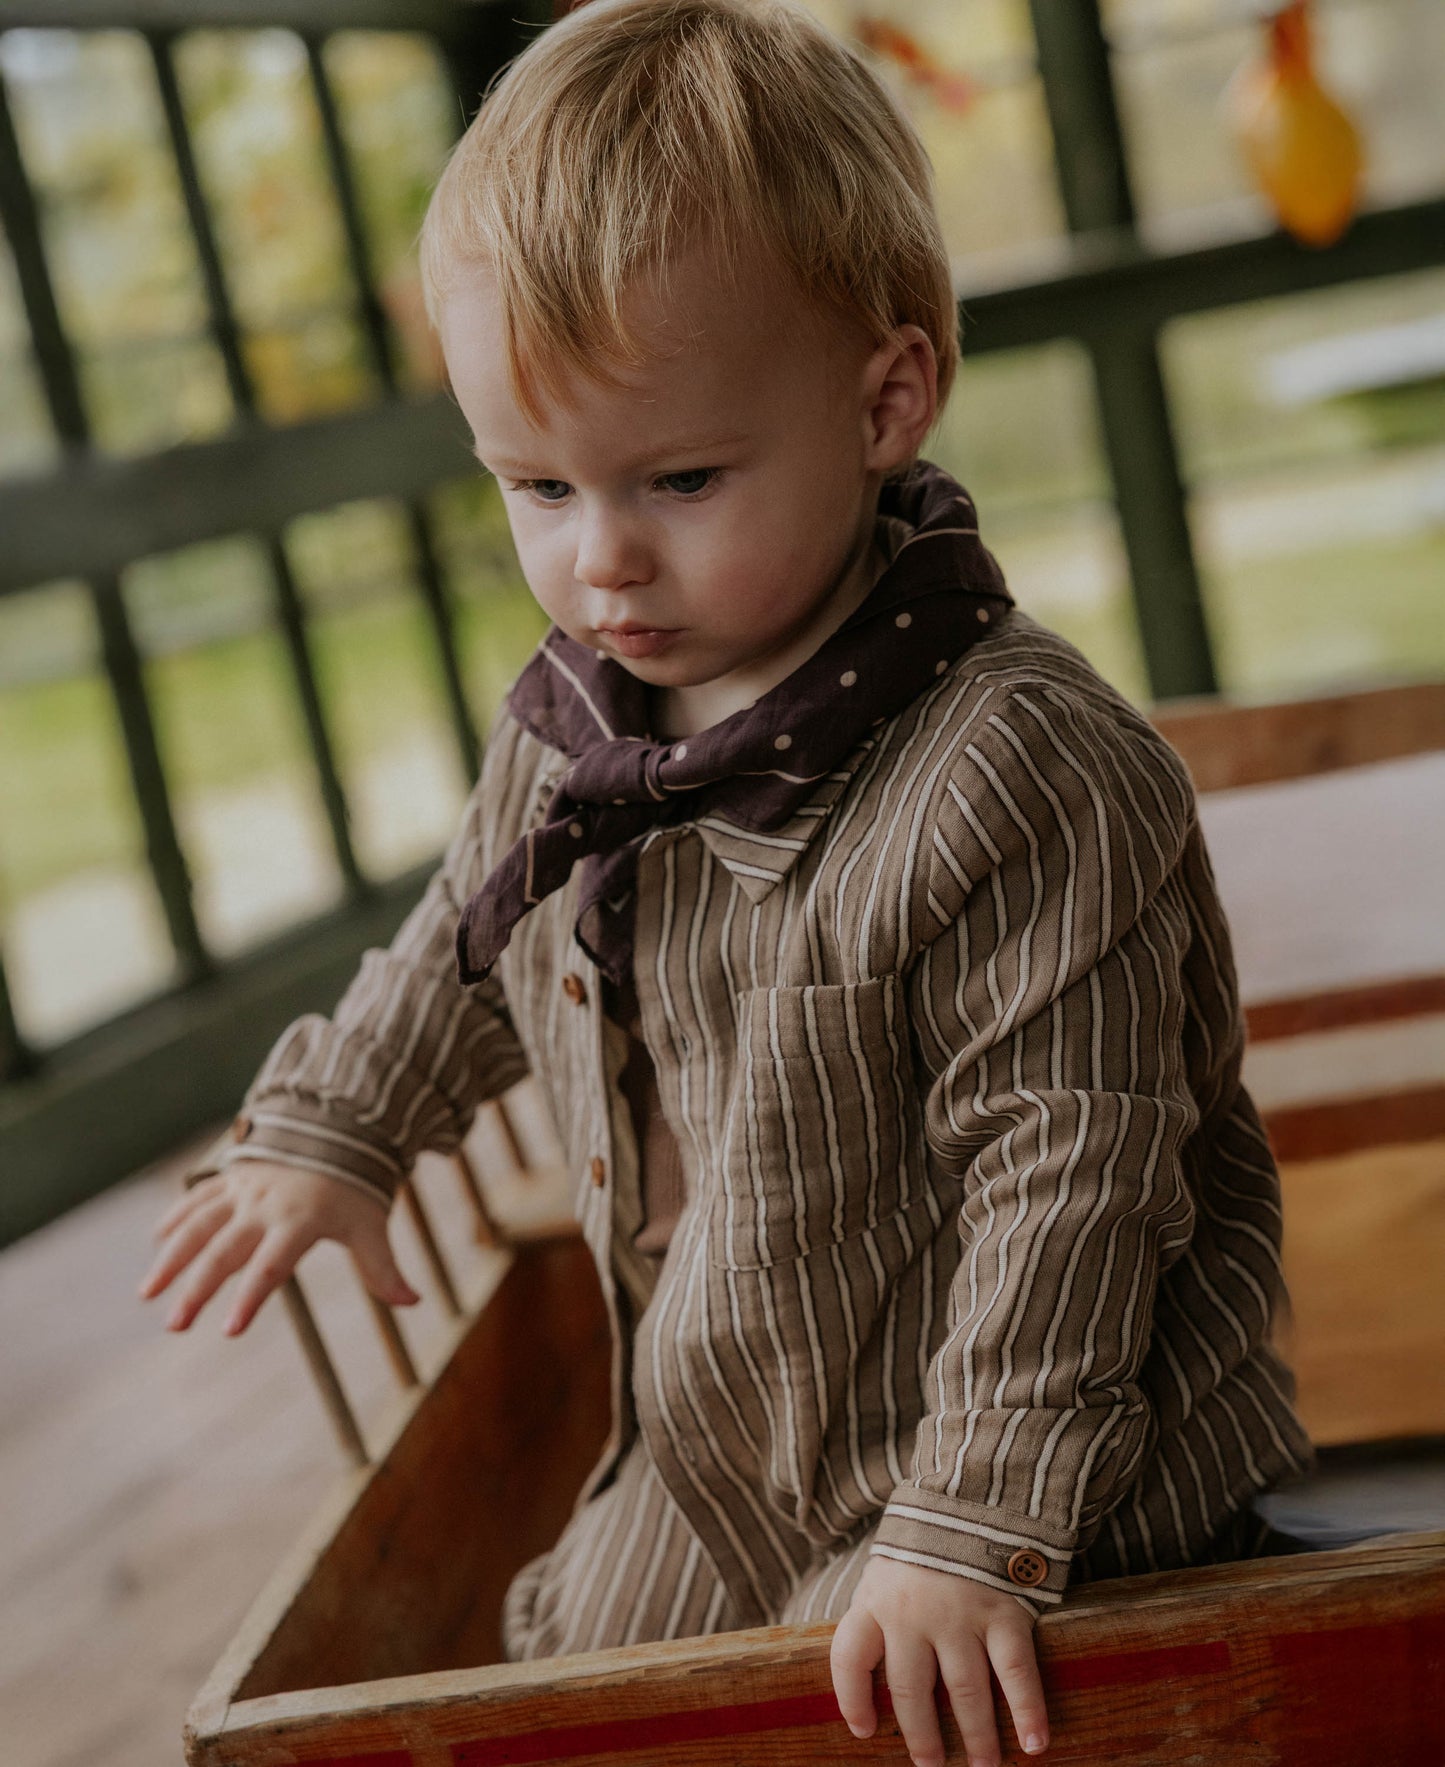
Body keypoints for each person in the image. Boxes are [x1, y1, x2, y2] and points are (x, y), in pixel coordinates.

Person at [139, 2, 1315, 1762]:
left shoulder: (1021, 769)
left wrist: (971, 1519)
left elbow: (1070, 1182)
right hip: (720, 1426)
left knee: (953, 1711)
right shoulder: (577, 725)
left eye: (679, 478)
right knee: (540, 1678)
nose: (598, 556)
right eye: (534, 486)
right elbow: (468, 944)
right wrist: (344, 1123)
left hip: (1036, 1456)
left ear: (882, 398)